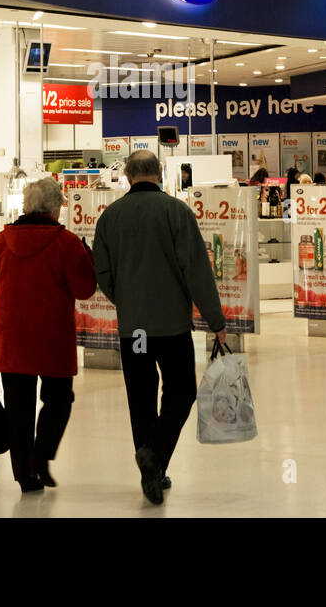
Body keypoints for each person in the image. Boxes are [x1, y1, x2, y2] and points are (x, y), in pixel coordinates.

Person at [93, 151, 227, 505]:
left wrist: (125, 300)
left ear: (127, 175)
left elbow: (102, 274)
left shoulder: (110, 217)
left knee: (140, 397)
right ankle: (155, 458)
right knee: (181, 392)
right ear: (159, 174)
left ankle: (151, 469)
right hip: (171, 327)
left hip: (134, 331)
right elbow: (196, 271)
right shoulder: (177, 213)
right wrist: (216, 320)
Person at [0, 177, 97, 493]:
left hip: (10, 338)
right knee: (59, 400)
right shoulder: (66, 242)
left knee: (18, 407)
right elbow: (84, 290)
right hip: (52, 337)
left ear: (26, 206)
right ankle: (41, 456)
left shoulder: (3, 241)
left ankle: (24, 476)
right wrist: (88, 256)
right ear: (56, 208)